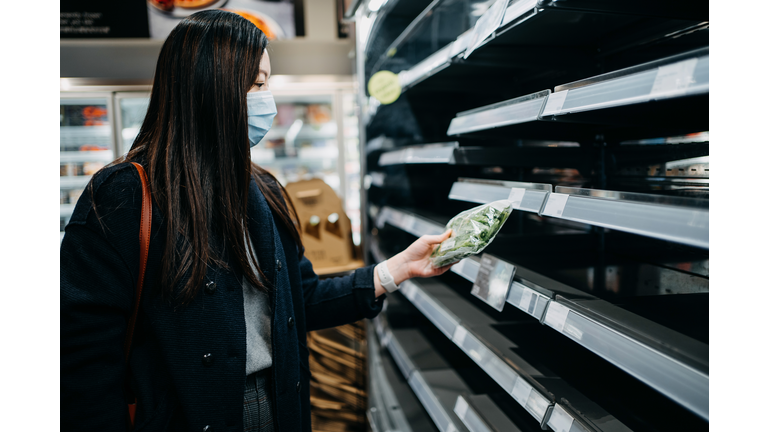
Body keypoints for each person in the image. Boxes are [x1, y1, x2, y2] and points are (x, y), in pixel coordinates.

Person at [60, 10, 453, 432]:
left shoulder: (263, 189)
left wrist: (395, 270)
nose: (267, 99)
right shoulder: (124, 195)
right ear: (210, 86)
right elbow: (84, 362)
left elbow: (299, 300)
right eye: (258, 83)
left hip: (278, 407)